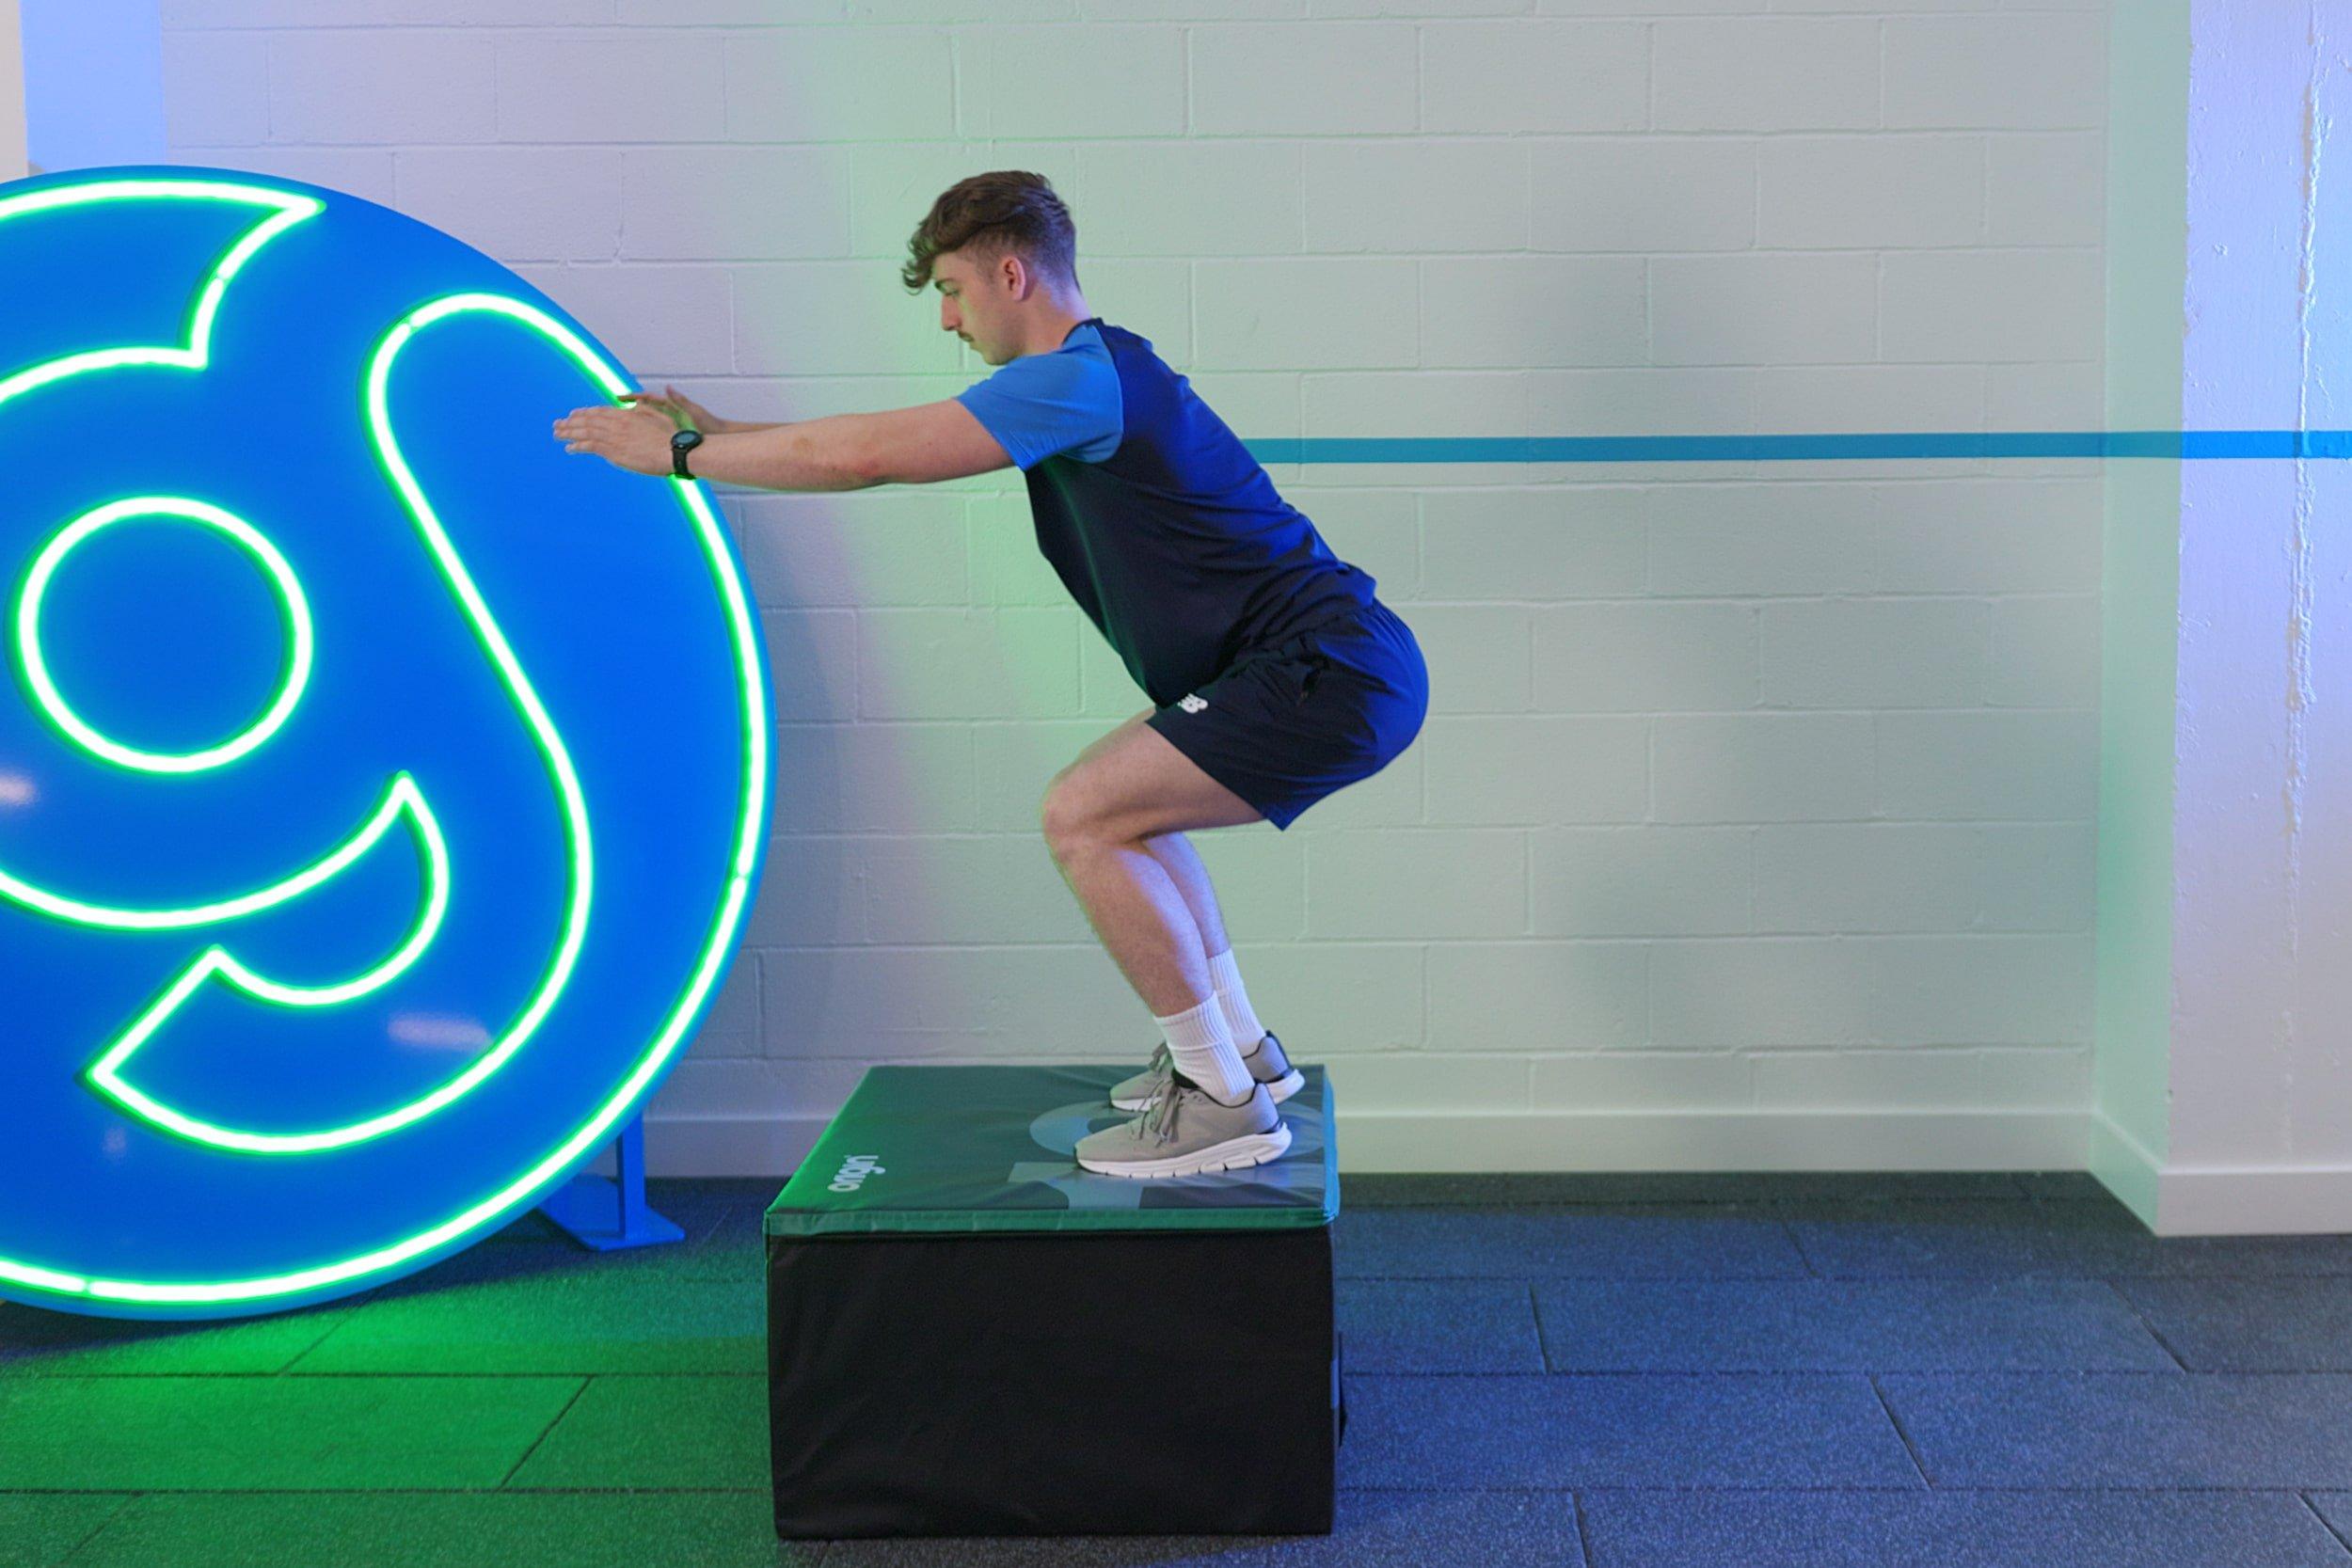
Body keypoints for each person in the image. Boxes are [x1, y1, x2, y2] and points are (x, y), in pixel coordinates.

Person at [552, 170, 1428, 1180]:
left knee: (1083, 813)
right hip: (1326, 664)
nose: (948, 321)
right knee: (1131, 812)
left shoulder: (1078, 380)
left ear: (1011, 273)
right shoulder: (1094, 375)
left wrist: (686, 455)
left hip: (1327, 668)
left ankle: (1219, 1101)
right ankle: (1241, 1061)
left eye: (954, 293)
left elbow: (874, 457)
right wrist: (722, 433)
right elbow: (879, 442)